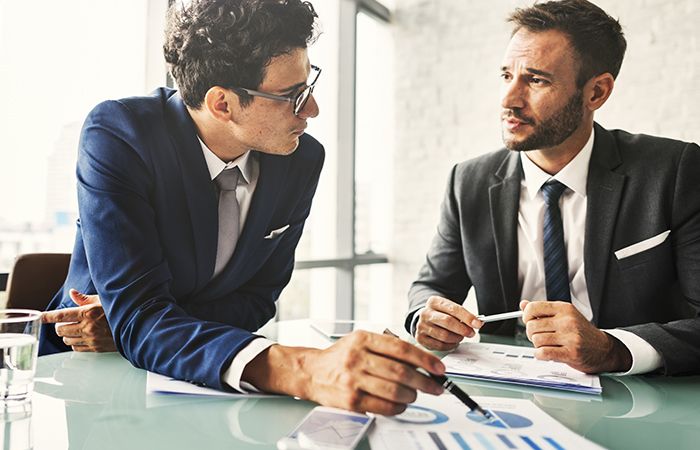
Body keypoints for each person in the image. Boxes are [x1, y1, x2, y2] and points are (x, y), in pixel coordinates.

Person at [40, 0, 446, 415]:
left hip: (206, 385)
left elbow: (257, 300)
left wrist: (151, 328)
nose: (312, 110)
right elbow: (141, 317)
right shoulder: (121, 135)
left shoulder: (302, 160)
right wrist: (304, 369)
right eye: (292, 96)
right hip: (84, 379)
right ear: (222, 104)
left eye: (308, 86)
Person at [407, 0, 700, 375]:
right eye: (506, 76)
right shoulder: (469, 181)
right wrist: (426, 317)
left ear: (596, 92)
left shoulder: (672, 172)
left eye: (536, 80)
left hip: (637, 396)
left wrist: (612, 350)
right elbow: (429, 288)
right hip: (509, 389)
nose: (508, 100)